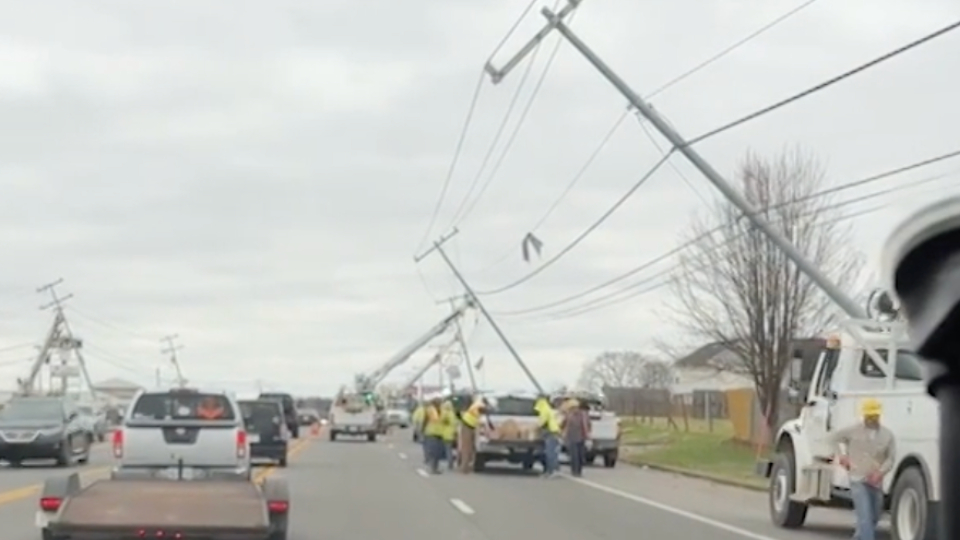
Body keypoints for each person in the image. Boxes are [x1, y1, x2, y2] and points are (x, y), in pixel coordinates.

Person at [829, 398, 895, 540]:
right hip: (857, 477)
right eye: (868, 416)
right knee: (864, 515)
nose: (870, 419)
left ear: (878, 416)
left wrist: (881, 472)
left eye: (873, 416)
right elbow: (834, 438)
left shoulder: (887, 435)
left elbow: (890, 458)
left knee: (875, 515)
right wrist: (842, 456)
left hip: (876, 481)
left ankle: (859, 537)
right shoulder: (853, 431)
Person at [561, 399, 591, 477]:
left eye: (576, 407)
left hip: (581, 437)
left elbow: (588, 425)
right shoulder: (569, 416)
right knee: (574, 455)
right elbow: (563, 424)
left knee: (580, 455)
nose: (575, 409)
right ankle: (575, 470)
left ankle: (579, 470)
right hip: (571, 437)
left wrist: (588, 434)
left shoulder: (584, 415)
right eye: (573, 408)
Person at [534, 395, 561, 478]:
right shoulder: (548, 409)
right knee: (549, 452)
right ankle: (550, 471)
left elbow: (541, 422)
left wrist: (536, 428)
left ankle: (551, 471)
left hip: (551, 433)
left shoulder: (544, 409)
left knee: (550, 453)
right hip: (553, 432)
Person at [458, 396, 484, 473]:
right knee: (467, 448)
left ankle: (466, 466)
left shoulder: (476, 406)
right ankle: (464, 468)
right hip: (468, 426)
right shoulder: (479, 405)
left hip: (470, 426)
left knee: (468, 448)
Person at [422, 397, 446, 474]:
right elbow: (425, 420)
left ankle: (435, 468)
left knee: (438, 453)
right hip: (431, 433)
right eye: (438, 402)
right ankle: (433, 468)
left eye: (440, 402)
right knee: (433, 452)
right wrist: (423, 429)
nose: (439, 403)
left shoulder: (442, 410)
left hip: (440, 433)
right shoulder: (430, 410)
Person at [440, 400, 458, 470]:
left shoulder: (445, 413)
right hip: (451, 433)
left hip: (445, 433)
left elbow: (441, 421)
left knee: (447, 449)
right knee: (449, 449)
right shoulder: (452, 413)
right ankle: (451, 462)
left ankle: (450, 463)